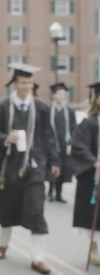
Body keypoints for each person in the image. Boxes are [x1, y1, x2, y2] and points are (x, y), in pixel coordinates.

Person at [0, 63, 60, 274]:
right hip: (9, 167)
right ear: (15, 83)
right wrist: (5, 138)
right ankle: (3, 244)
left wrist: (54, 160)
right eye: (24, 82)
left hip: (34, 167)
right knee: (8, 208)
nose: (28, 86)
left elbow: (47, 136)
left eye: (30, 82)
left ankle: (38, 257)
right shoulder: (1, 107)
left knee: (37, 209)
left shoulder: (41, 106)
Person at [70, 82, 100, 266]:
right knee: (94, 215)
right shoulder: (90, 122)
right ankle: (94, 248)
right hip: (94, 176)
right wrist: (94, 162)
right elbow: (78, 146)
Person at [46, 82, 77, 203]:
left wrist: (71, 144)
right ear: (54, 95)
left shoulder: (69, 111)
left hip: (65, 146)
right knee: (51, 169)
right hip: (52, 145)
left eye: (63, 94)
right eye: (59, 94)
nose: (62, 96)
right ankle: (50, 192)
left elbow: (74, 129)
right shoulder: (48, 110)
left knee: (63, 169)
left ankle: (59, 193)